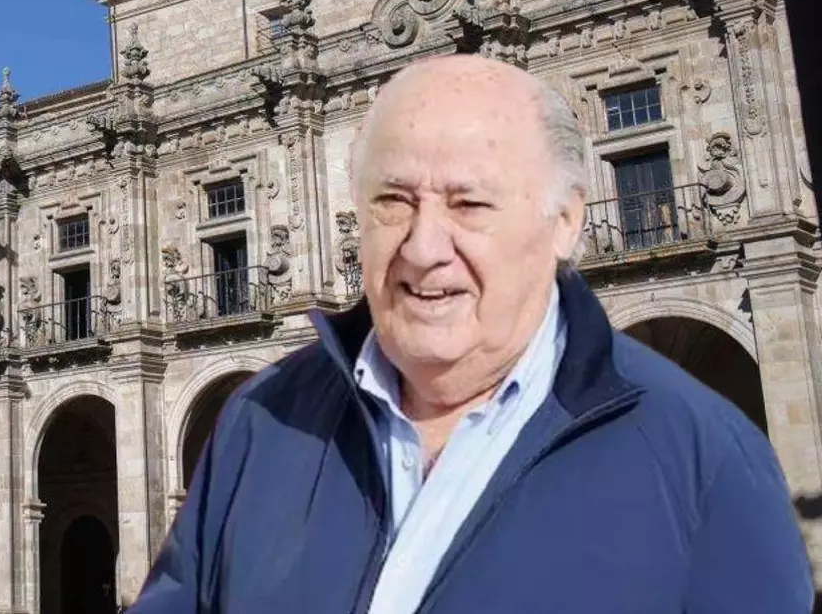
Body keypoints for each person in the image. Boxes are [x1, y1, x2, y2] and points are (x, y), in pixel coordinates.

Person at [128, 54, 814, 614]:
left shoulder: (709, 459)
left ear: (566, 221)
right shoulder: (261, 420)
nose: (425, 248)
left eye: (470, 203)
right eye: (394, 201)